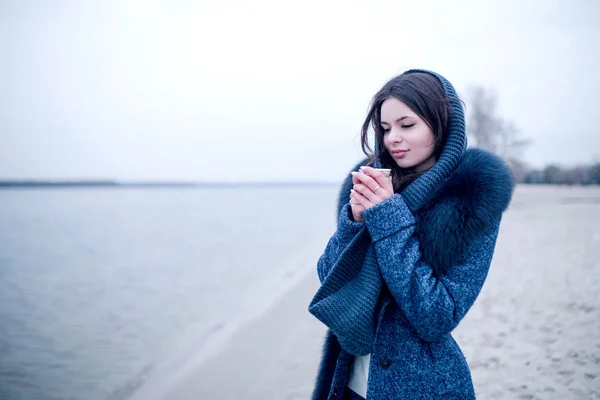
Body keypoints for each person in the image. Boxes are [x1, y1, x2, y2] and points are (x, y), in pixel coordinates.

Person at [308, 69, 514, 400]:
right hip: (346, 379)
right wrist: (355, 222)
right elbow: (329, 280)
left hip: (421, 385)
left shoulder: (470, 202)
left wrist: (388, 219)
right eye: (386, 128)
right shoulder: (371, 184)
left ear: (442, 123)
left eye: (407, 125)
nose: (392, 138)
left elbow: (436, 316)